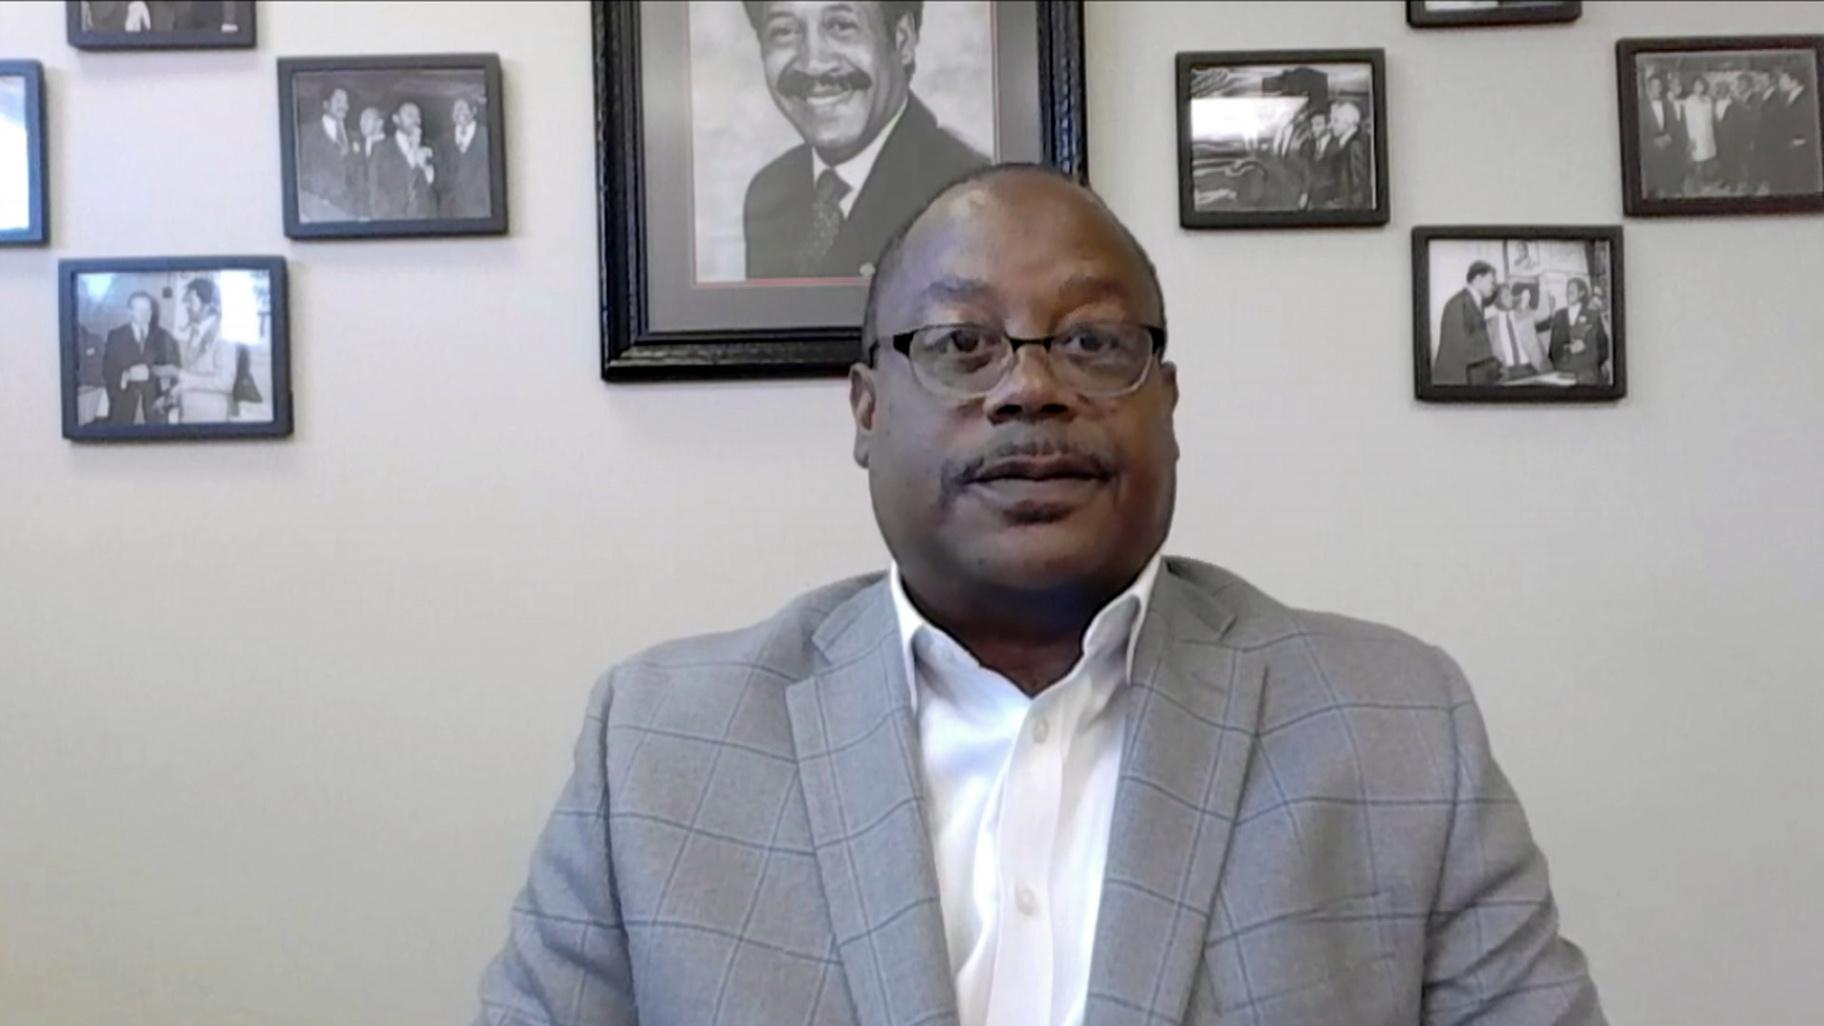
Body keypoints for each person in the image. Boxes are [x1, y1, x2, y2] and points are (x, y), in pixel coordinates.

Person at [473, 164, 1605, 1026]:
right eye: (962, 343)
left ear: (1168, 401)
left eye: (1092, 342)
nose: (1030, 387)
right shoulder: (662, 743)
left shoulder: (1395, 725)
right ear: (866, 410)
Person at [741, 0, 988, 280]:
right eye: (784, 31)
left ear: (902, 39)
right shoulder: (768, 193)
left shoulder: (965, 195)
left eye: (841, 26)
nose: (813, 63)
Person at [153, 277, 236, 423]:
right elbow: (194, 378)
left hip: (212, 417)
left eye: (191, 301)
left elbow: (225, 382)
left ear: (207, 304)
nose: (187, 306)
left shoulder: (224, 333)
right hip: (189, 414)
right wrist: (169, 397)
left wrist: (177, 372)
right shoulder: (195, 331)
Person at [101, 291, 179, 426]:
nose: (144, 314)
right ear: (130, 311)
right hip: (123, 410)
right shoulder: (116, 336)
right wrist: (126, 375)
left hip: (155, 412)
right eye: (139, 310)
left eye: (147, 310)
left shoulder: (164, 337)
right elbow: (107, 370)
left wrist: (165, 397)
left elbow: (174, 371)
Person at [1432, 260, 1500, 386]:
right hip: (1457, 380)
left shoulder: (1473, 300)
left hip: (1471, 375)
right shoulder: (1458, 303)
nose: (1494, 286)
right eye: (1491, 281)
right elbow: (1455, 350)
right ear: (1478, 279)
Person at [369, 101, 437, 219]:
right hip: (391, 220)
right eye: (409, 115)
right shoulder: (380, 148)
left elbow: (436, 190)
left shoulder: (430, 149)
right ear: (396, 119)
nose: (415, 120)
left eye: (418, 116)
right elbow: (373, 187)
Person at [297, 86, 357, 221]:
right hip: (317, 212)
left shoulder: (356, 137)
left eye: (346, 102)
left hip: (350, 214)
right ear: (325, 104)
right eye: (339, 101)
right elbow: (298, 172)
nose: (344, 106)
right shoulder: (306, 134)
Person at [1765, 64, 1821, 196]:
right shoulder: (1785, 97)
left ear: (1794, 81)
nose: (1779, 82)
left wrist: (1802, 139)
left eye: (1783, 79)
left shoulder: (1807, 99)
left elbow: (1812, 125)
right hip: (1785, 151)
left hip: (1800, 154)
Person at [1547, 278, 1610, 386]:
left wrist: (1586, 347)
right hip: (1564, 374)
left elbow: (1603, 349)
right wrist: (1565, 350)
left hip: (1588, 374)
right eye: (1567, 290)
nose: (1568, 293)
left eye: (1572, 290)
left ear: (1581, 293)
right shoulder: (1559, 315)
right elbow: (1552, 350)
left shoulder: (1593, 316)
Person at [439, 97, 490, 219]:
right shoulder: (443, 141)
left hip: (480, 209)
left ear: (473, 111)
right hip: (450, 212)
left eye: (463, 108)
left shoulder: (487, 137)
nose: (459, 112)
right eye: (455, 109)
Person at [1488, 281, 1553, 377]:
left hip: (1531, 367)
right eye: (1506, 296)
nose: (1511, 298)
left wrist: (1542, 289)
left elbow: (1544, 314)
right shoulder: (1490, 324)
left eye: (1510, 294)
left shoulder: (1523, 314)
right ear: (1497, 300)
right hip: (1507, 372)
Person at [1317, 99, 1371, 209]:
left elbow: (1359, 189)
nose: (1331, 125)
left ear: (1348, 123)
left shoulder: (1354, 146)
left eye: (1336, 121)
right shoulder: (1346, 143)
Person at [1639, 73, 1686, 198]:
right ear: (1648, 88)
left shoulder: (1666, 103)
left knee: (1670, 179)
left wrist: (1669, 136)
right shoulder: (1639, 106)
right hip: (1650, 152)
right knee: (1653, 186)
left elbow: (1674, 124)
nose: (1659, 89)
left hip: (1668, 147)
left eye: (1660, 86)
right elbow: (1637, 132)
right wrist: (1653, 142)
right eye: (1655, 86)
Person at [1681, 74, 1719, 190]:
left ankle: (1706, 181)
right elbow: (1688, 121)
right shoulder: (1689, 101)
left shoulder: (1708, 99)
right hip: (1696, 135)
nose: (1699, 87)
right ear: (1693, 86)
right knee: (1698, 160)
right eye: (1697, 85)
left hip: (1708, 134)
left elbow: (1712, 118)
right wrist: (1691, 138)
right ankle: (1697, 185)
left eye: (1701, 84)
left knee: (1708, 159)